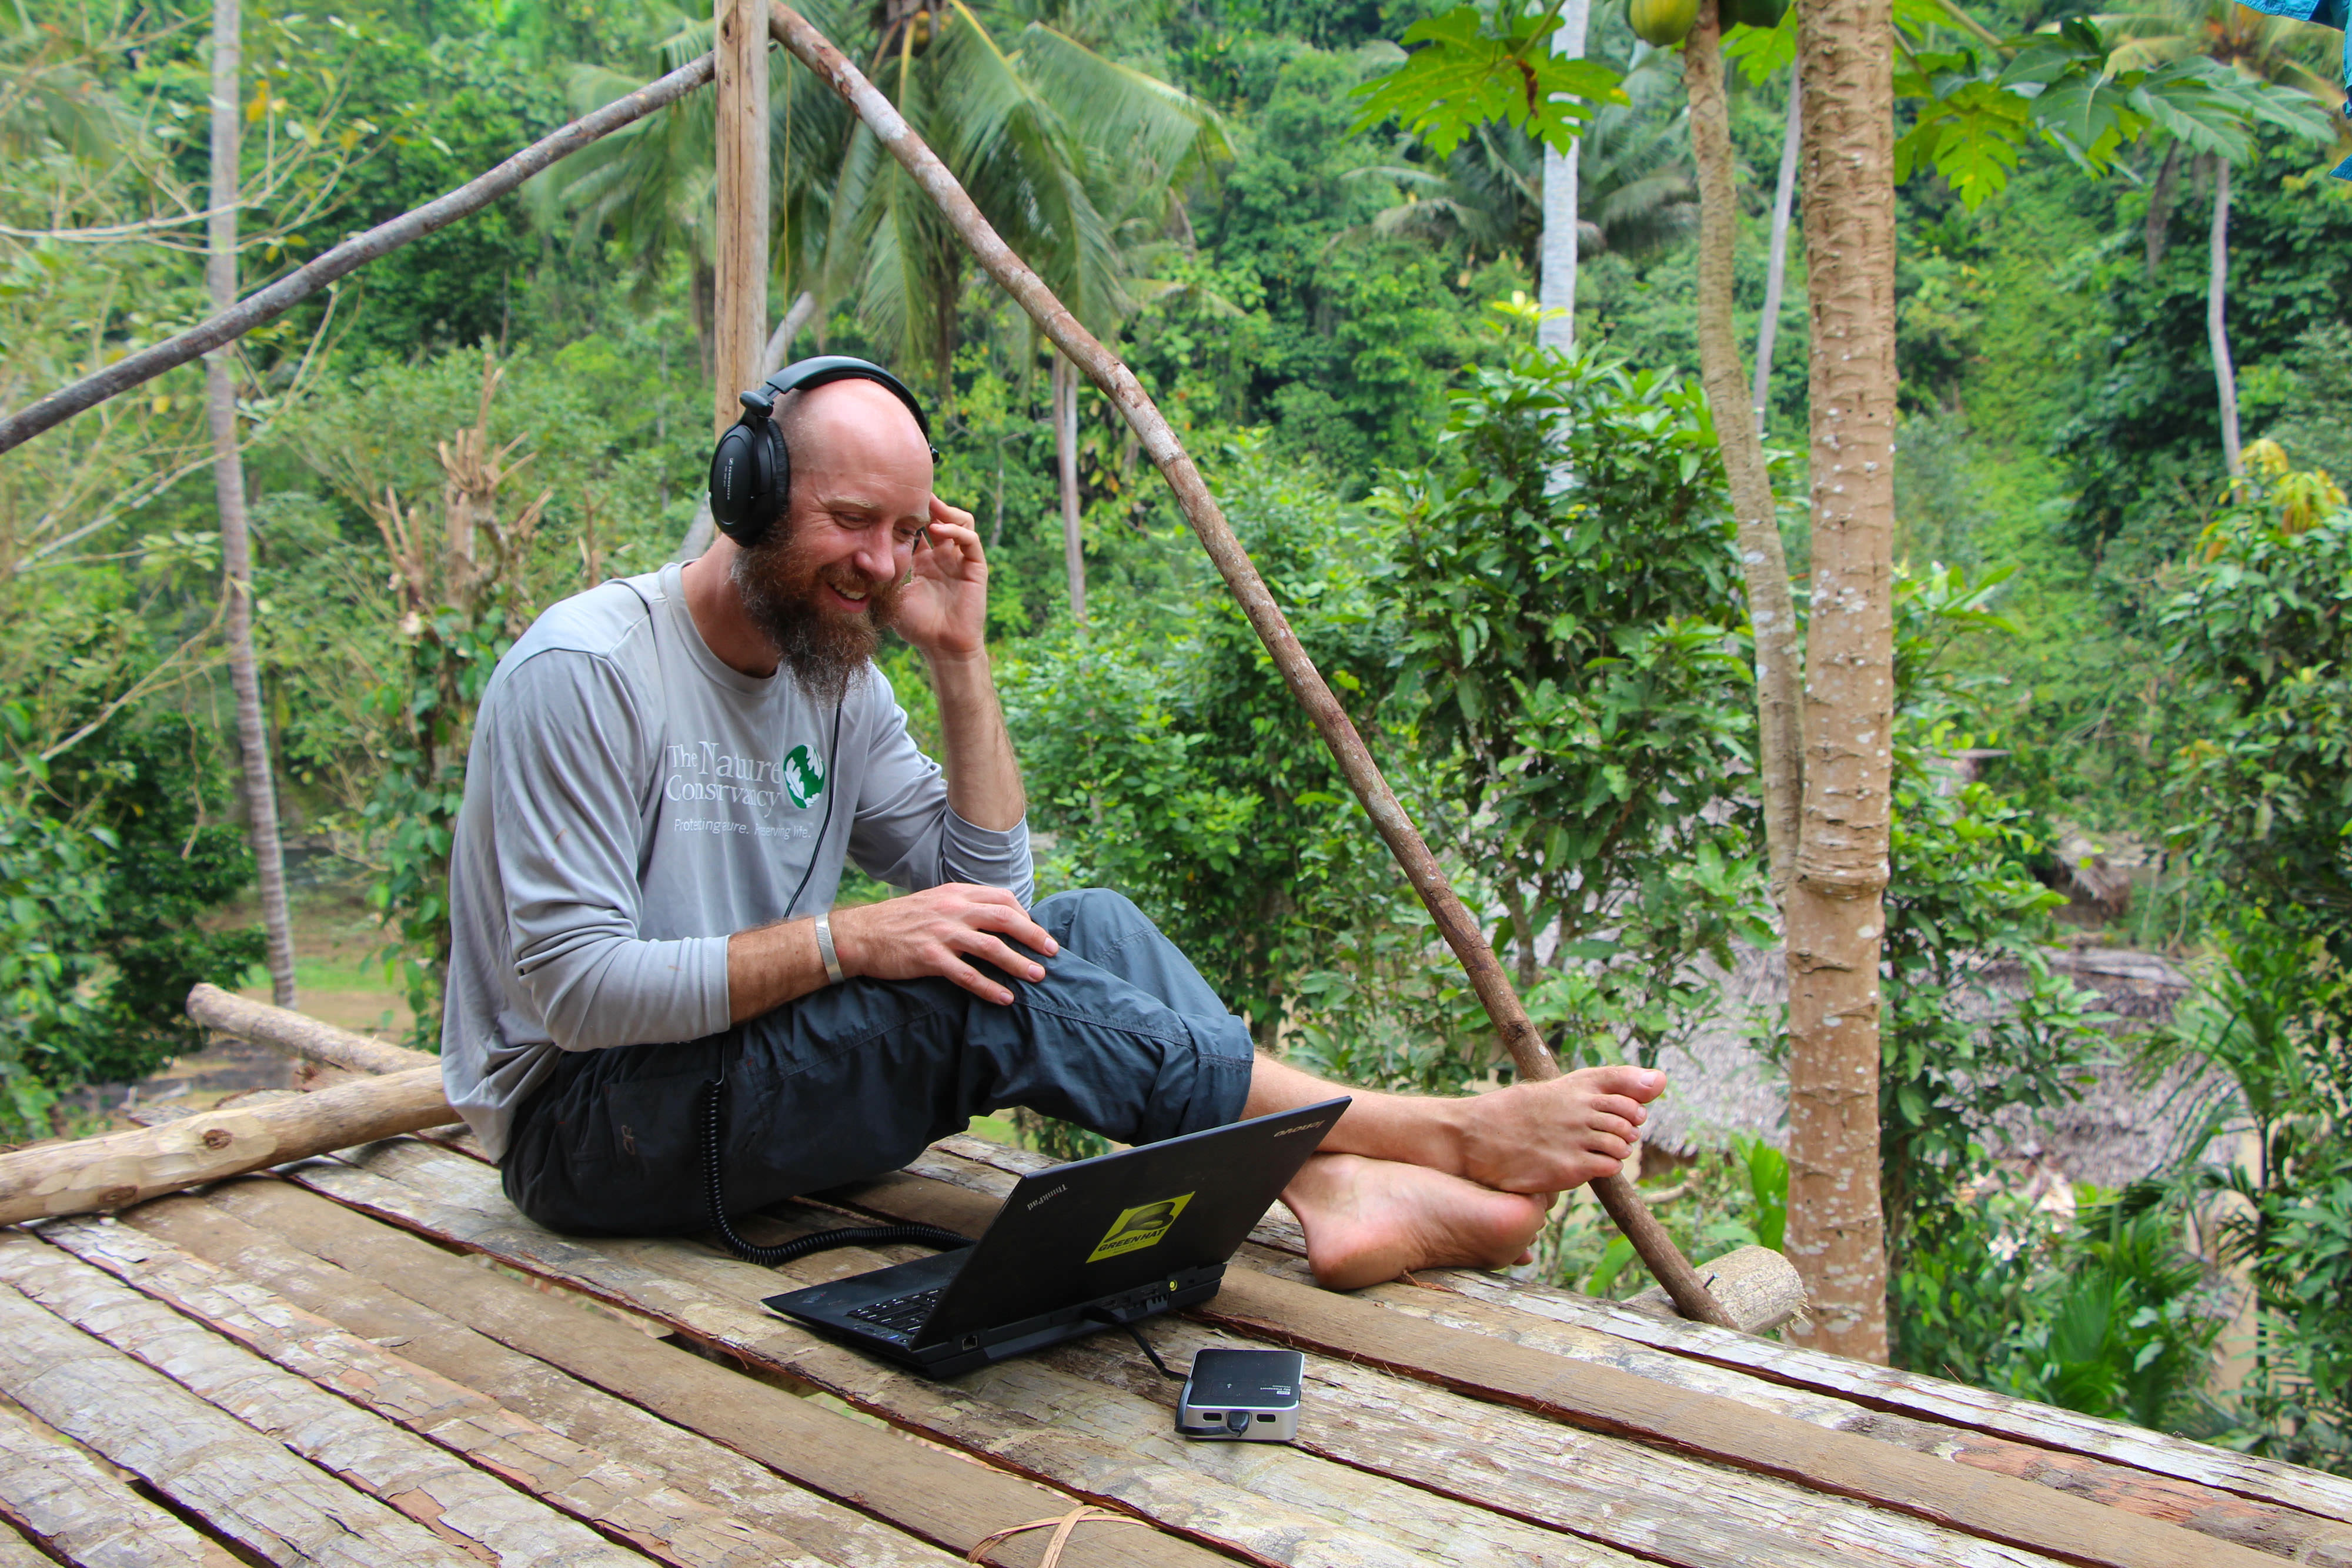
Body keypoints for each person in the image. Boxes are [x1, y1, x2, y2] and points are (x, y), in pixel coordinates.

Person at [440, 367, 1666, 1290]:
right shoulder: (588, 671)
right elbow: (575, 995)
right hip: (587, 1124)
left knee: (1079, 927)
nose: (879, 562)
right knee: (971, 982)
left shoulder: (835, 676)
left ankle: (1324, 1178)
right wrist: (847, 941)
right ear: (746, 494)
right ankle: (1423, 1128)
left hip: (735, 1079)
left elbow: (994, 893)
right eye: (850, 520)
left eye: (905, 531)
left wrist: (961, 663)